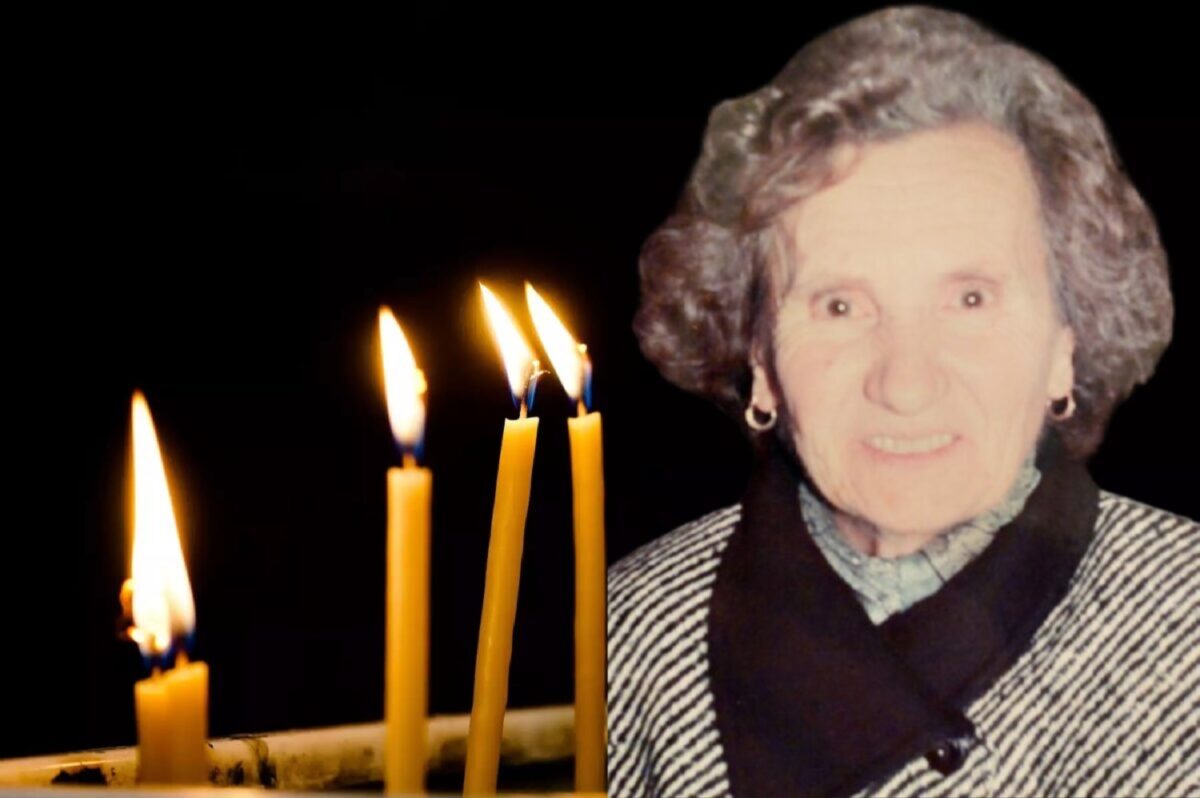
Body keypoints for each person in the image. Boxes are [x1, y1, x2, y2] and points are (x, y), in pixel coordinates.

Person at [607, 6, 1198, 797]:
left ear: (1066, 341)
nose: (906, 383)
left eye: (971, 299)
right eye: (840, 306)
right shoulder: (630, 631)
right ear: (762, 362)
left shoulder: (1187, 620)